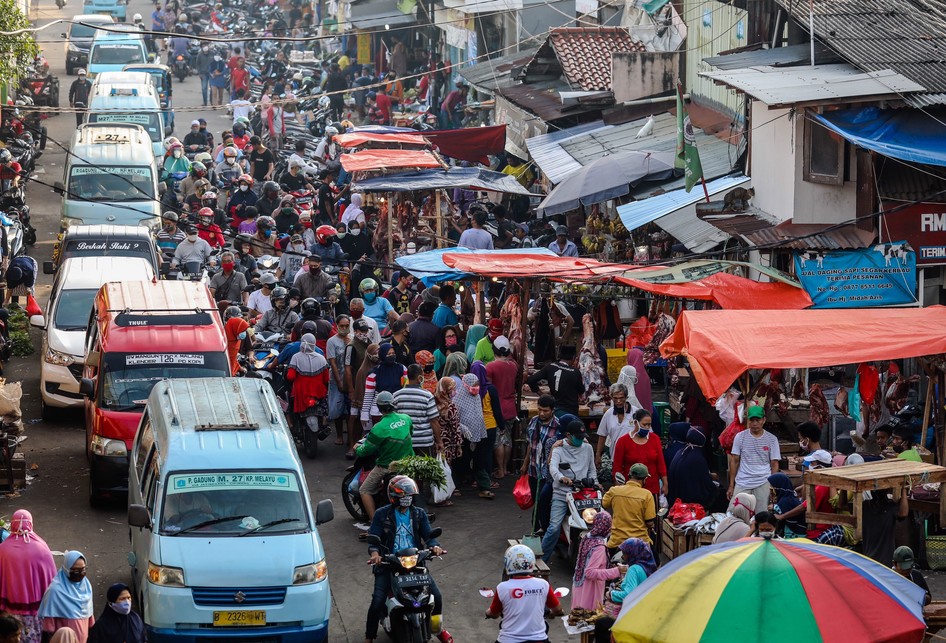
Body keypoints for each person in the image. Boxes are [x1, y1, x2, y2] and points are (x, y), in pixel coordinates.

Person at [365, 475, 445, 643]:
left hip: (415, 562)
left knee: (436, 596)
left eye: (409, 495)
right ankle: (369, 637)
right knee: (378, 600)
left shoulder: (419, 514)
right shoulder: (381, 514)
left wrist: (434, 546)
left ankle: (437, 629)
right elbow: (373, 540)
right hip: (389, 563)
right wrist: (375, 555)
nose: (407, 498)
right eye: (403, 495)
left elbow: (429, 536)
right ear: (394, 496)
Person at [542, 421, 597, 562]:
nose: (580, 439)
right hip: (562, 494)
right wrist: (561, 478)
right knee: (554, 527)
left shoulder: (588, 448)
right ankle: (541, 560)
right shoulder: (559, 449)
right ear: (568, 435)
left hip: (583, 494)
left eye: (582, 436)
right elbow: (553, 468)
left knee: (598, 523)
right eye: (577, 437)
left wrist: (596, 483)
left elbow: (592, 470)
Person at [356, 392, 415, 520]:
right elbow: (411, 433)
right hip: (409, 462)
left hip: (387, 467)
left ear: (378, 407)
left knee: (364, 490)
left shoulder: (378, 428)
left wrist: (357, 448)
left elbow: (365, 450)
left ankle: (374, 522)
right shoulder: (406, 418)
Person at [486, 545, 563, 643]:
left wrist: (487, 613)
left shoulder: (502, 587)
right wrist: (552, 613)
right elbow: (558, 609)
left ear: (508, 563)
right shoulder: (543, 584)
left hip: (508, 640)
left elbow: (494, 613)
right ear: (532, 562)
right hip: (538, 639)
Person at [0, 510, 56, 643]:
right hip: (35, 611)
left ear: (13, 524)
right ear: (30, 524)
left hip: (8, 612)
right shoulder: (41, 548)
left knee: (12, 637)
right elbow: (52, 579)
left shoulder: (2, 549)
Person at [591, 538, 657, 643]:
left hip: (632, 615)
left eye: (625, 554)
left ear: (632, 554)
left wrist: (611, 594)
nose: (623, 556)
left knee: (602, 624)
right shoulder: (646, 567)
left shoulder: (633, 569)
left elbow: (628, 594)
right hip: (644, 612)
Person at [728, 404, 781, 511]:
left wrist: (773, 486)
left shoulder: (772, 439)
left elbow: (774, 463)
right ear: (748, 421)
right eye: (752, 420)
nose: (755, 423)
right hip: (743, 481)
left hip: (763, 480)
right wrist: (731, 485)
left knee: (762, 514)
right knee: (734, 511)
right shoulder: (740, 437)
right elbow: (734, 461)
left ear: (764, 420)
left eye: (758, 420)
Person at [520, 395, 559, 531]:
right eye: (540, 410)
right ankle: (536, 530)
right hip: (533, 470)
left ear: (552, 410)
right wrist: (525, 464)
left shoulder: (558, 426)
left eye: (546, 411)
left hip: (548, 473)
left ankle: (545, 529)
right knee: (537, 502)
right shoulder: (533, 421)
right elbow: (531, 445)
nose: (542, 413)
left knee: (543, 502)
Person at [37, 552, 94, 643]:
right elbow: (48, 627)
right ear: (67, 569)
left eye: (82, 569)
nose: (79, 573)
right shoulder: (55, 591)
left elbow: (90, 618)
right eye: (75, 570)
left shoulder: (86, 587)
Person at [571, 511, 622, 610]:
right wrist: (616, 571)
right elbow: (590, 572)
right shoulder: (599, 547)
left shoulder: (587, 537)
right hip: (590, 590)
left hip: (579, 585)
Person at [612, 410, 666, 499]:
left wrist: (665, 483)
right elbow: (617, 467)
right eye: (644, 425)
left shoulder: (655, 439)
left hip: (651, 488)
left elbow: (661, 464)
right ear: (636, 423)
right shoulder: (623, 441)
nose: (647, 427)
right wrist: (619, 486)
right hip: (629, 490)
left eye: (649, 425)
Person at [454, 373, 492, 499]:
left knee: (480, 461)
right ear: (466, 385)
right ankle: (455, 486)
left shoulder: (476, 397)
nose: (476, 387)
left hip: (479, 433)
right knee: (460, 461)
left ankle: (484, 487)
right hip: (463, 435)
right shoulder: (457, 399)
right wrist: (463, 428)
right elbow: (454, 420)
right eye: (474, 385)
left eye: (477, 384)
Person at [602, 463, 656, 550]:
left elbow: (604, 504)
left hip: (616, 542)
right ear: (644, 479)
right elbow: (649, 522)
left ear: (629, 476)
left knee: (607, 562)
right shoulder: (647, 495)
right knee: (657, 563)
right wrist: (651, 526)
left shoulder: (614, 491)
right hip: (640, 542)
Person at [485, 336, 518, 480]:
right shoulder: (514, 365)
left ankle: (500, 469)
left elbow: (489, 388)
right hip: (510, 407)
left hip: (497, 407)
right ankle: (505, 467)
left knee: (498, 439)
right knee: (507, 438)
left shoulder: (490, 367)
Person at [393, 364, 442, 457]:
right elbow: (434, 421)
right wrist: (439, 441)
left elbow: (393, 419)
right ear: (420, 377)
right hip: (424, 442)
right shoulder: (427, 396)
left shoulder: (396, 395)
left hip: (404, 441)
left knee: (405, 470)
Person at [667, 427, 719, 510]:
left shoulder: (681, 451)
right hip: (688, 498)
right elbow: (704, 482)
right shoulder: (697, 457)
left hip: (676, 495)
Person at [526, 345, 585, 416]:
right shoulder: (575, 372)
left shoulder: (551, 366)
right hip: (570, 411)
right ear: (573, 357)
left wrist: (541, 394)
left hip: (554, 410)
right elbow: (581, 391)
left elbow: (531, 379)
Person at [361, 344, 408, 432]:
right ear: (382, 355)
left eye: (393, 353)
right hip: (378, 413)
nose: (391, 356)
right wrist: (364, 414)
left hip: (397, 411)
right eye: (388, 354)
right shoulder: (374, 373)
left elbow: (405, 389)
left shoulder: (402, 369)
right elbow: (368, 395)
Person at [286, 333, 330, 424]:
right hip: (318, 392)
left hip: (301, 392)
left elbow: (291, 377)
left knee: (287, 402)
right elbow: (326, 379)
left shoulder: (296, 357)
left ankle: (291, 424)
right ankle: (324, 422)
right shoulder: (321, 358)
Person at [595, 383, 636, 470]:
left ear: (626, 397)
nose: (618, 401)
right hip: (615, 458)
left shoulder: (636, 413)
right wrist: (598, 455)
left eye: (621, 398)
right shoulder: (608, 414)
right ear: (612, 398)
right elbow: (602, 435)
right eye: (615, 398)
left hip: (634, 458)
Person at [326, 314, 351, 445]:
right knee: (337, 410)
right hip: (336, 380)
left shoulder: (352, 339)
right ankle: (339, 435)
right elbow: (333, 363)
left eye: (347, 326)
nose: (344, 328)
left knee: (349, 410)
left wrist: (351, 344)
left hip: (350, 380)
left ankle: (350, 437)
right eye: (342, 326)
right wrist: (339, 381)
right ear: (336, 326)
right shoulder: (332, 341)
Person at [768, 472, 806, 539]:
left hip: (795, 535)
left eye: (772, 486)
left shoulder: (786, 500)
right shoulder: (789, 496)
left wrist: (775, 508)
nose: (771, 488)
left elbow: (780, 516)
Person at [224, 308, 250, 375]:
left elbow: (233, 358)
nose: (243, 332)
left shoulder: (237, 339)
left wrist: (240, 368)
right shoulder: (223, 341)